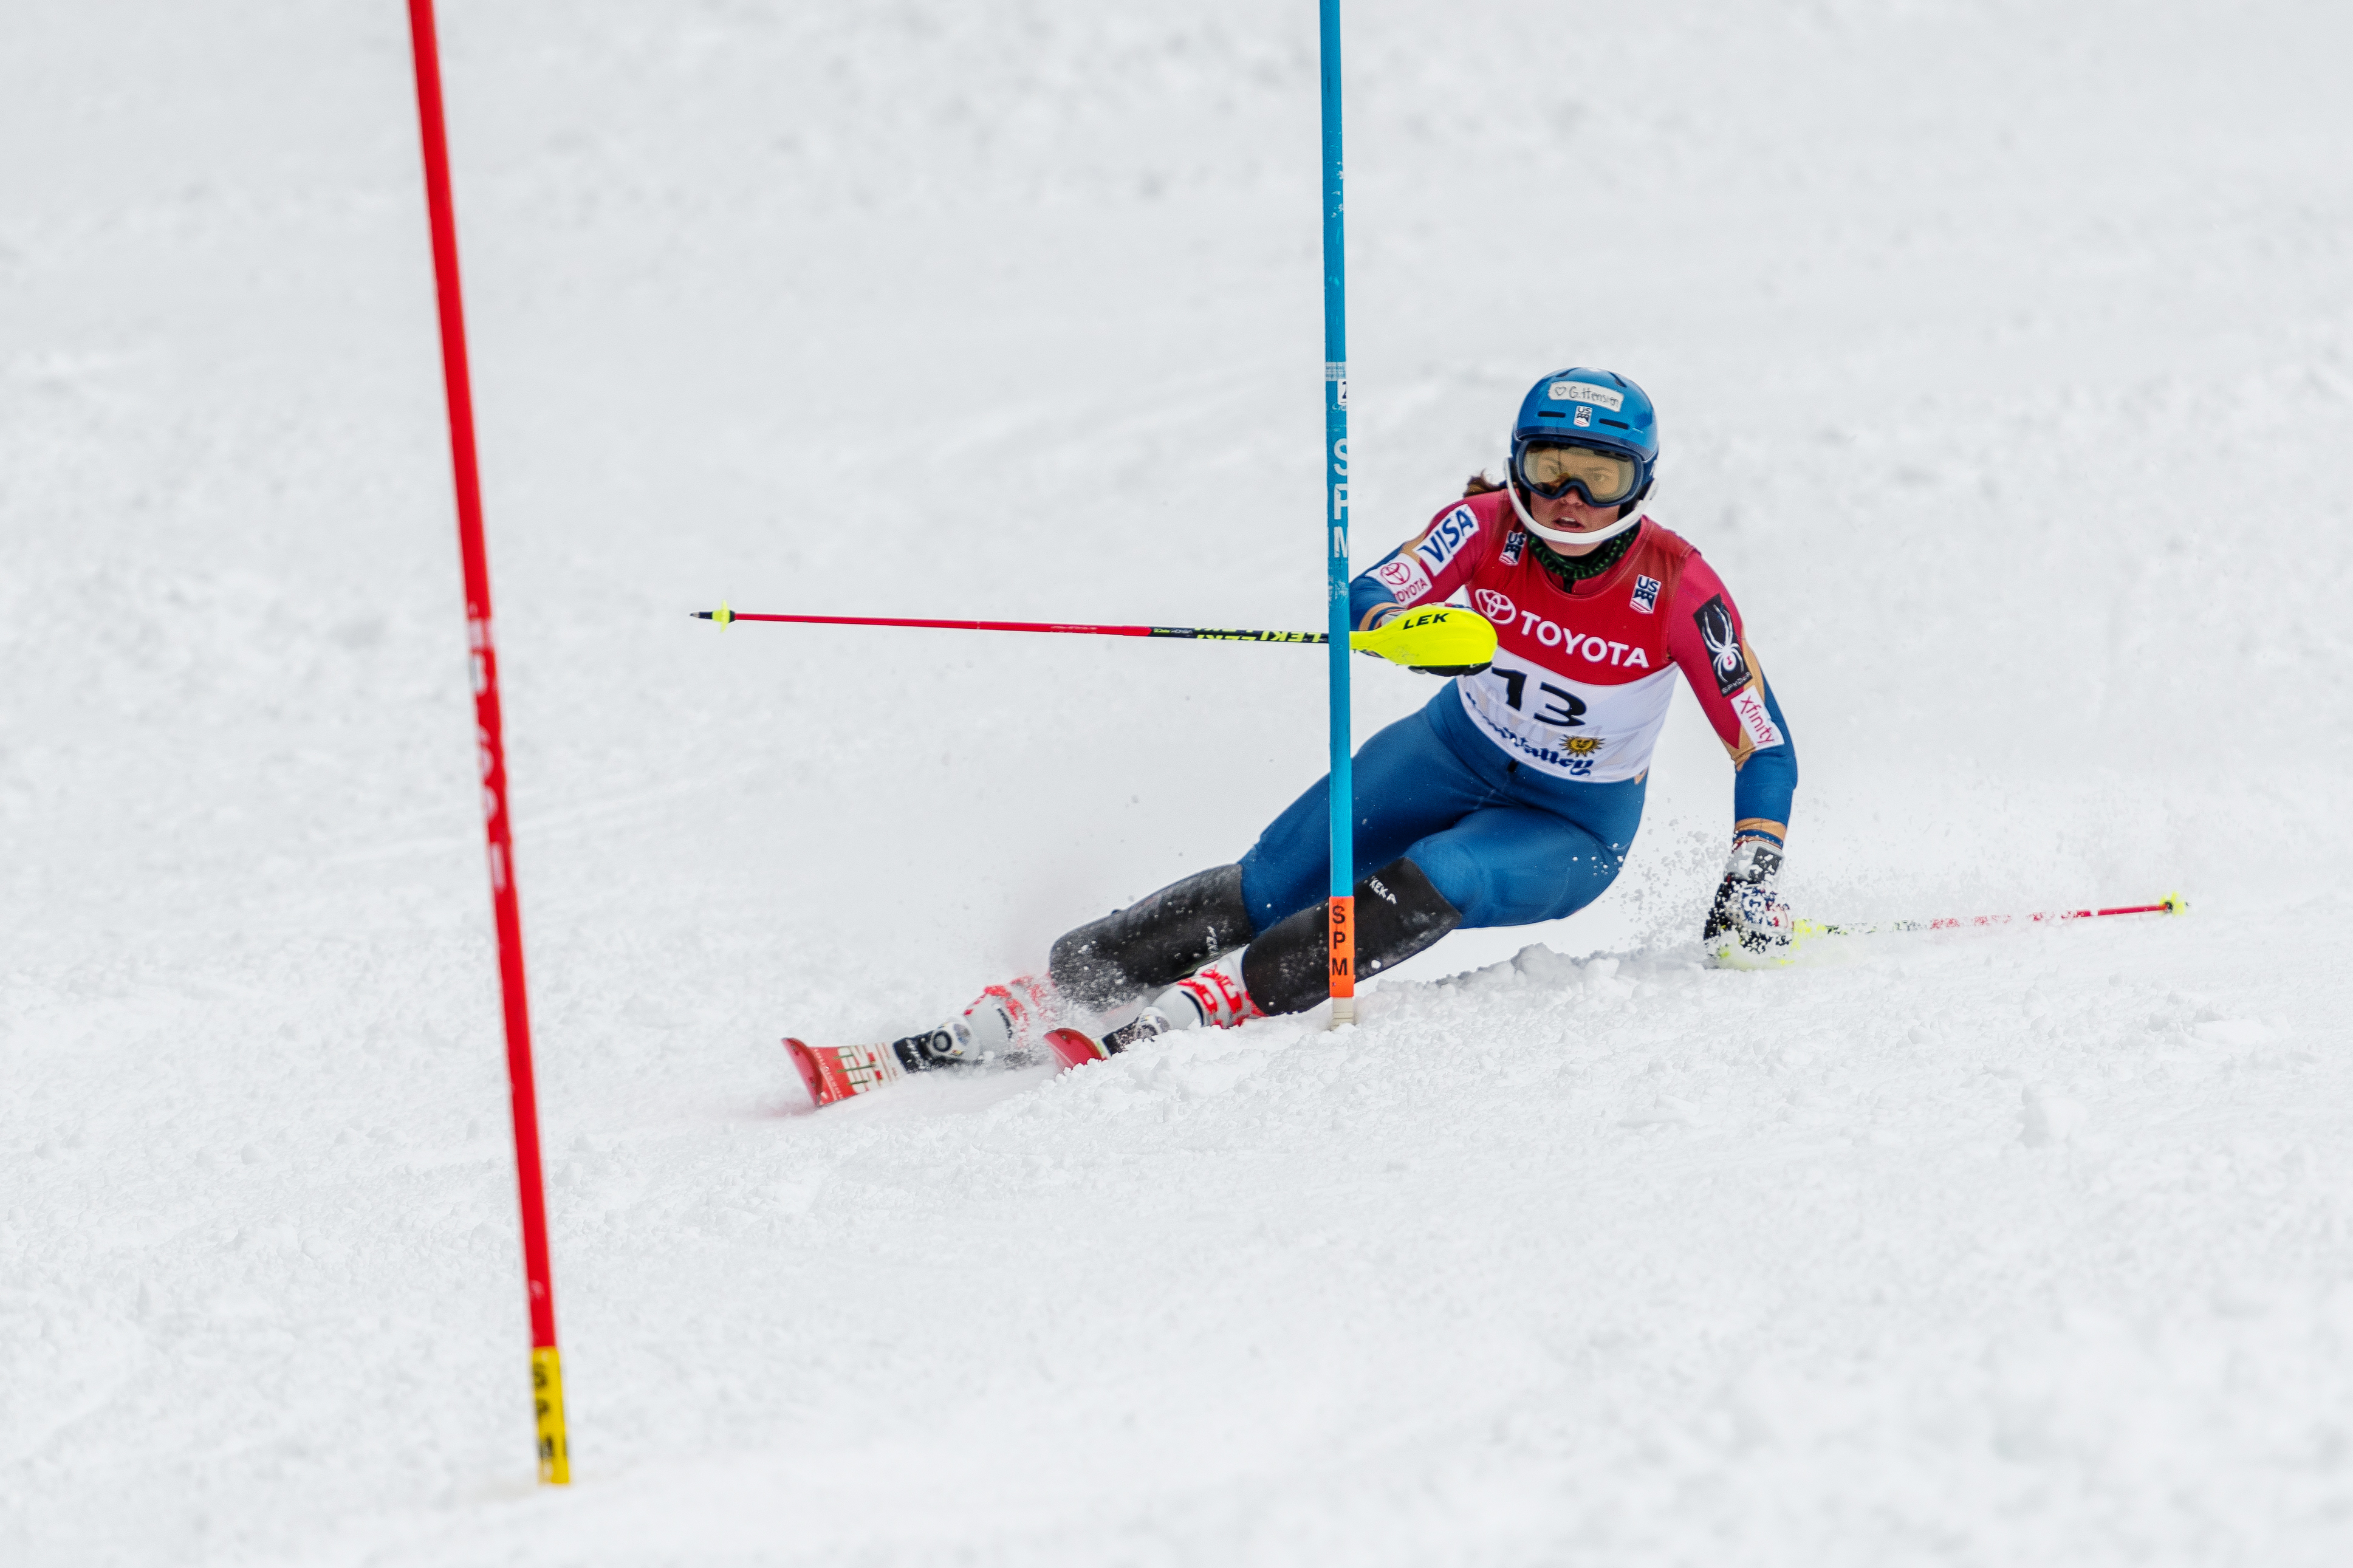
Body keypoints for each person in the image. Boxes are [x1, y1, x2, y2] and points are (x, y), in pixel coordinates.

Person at [854, 368, 1796, 1083]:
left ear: (1642, 483)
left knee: (1445, 875)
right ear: (1516, 465)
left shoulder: (1679, 586)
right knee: (1272, 876)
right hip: (1446, 752)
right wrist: (1401, 631)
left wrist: (1752, 870)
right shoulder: (1479, 528)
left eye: (1599, 478)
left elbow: (1760, 740)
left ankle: (1233, 994)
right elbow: (1366, 594)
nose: (1569, 503)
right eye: (1549, 471)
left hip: (1568, 824)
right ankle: (1070, 977)